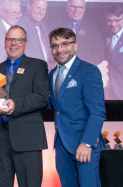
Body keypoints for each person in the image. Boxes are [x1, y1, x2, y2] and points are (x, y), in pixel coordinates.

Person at [0, 25, 49, 187]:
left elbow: (42, 98)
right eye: (9, 39)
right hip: (0, 139)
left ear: (25, 43)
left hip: (27, 139)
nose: (13, 43)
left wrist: (16, 104)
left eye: (18, 39)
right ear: (4, 42)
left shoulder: (37, 66)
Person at [48, 28, 106, 187]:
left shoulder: (89, 71)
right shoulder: (52, 74)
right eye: (54, 45)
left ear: (75, 46)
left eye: (65, 44)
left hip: (84, 145)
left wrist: (87, 143)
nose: (59, 49)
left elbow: (97, 112)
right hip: (61, 146)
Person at [57, 0, 105, 66]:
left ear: (84, 8)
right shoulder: (57, 24)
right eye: (73, 6)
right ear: (67, 7)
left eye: (80, 7)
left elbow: (99, 52)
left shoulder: (93, 27)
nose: (76, 10)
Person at [18, 0, 55, 71]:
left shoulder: (44, 26)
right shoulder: (20, 25)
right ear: (29, 6)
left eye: (43, 9)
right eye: (38, 7)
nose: (41, 12)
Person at [104, 4, 123, 100]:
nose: (113, 24)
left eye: (117, 20)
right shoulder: (104, 34)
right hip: (108, 89)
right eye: (110, 20)